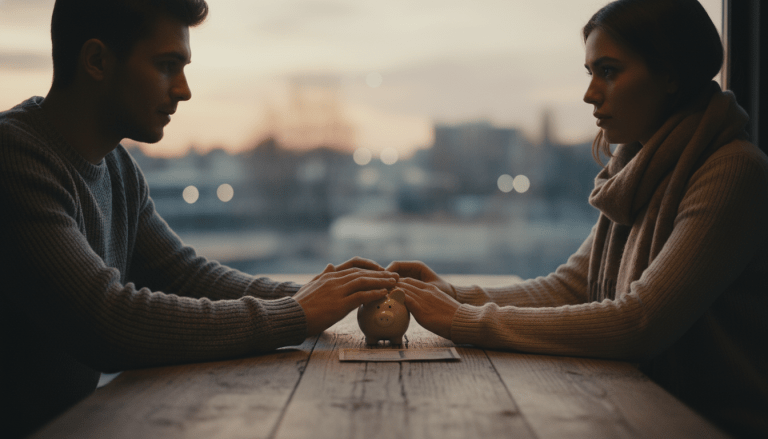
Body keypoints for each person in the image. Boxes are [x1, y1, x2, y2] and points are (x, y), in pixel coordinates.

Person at [0, 0, 399, 437]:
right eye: (167, 65)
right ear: (97, 60)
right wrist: (296, 313)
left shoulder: (116, 167)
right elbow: (107, 322)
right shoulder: (14, 158)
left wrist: (321, 297)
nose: (184, 90)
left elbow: (184, 275)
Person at [388, 0, 768, 437]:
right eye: (590, 73)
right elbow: (572, 287)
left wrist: (461, 320)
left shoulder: (732, 171)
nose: (590, 94)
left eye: (609, 71)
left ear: (670, 75)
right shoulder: (637, 171)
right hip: (641, 408)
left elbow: (638, 323)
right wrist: (449, 293)